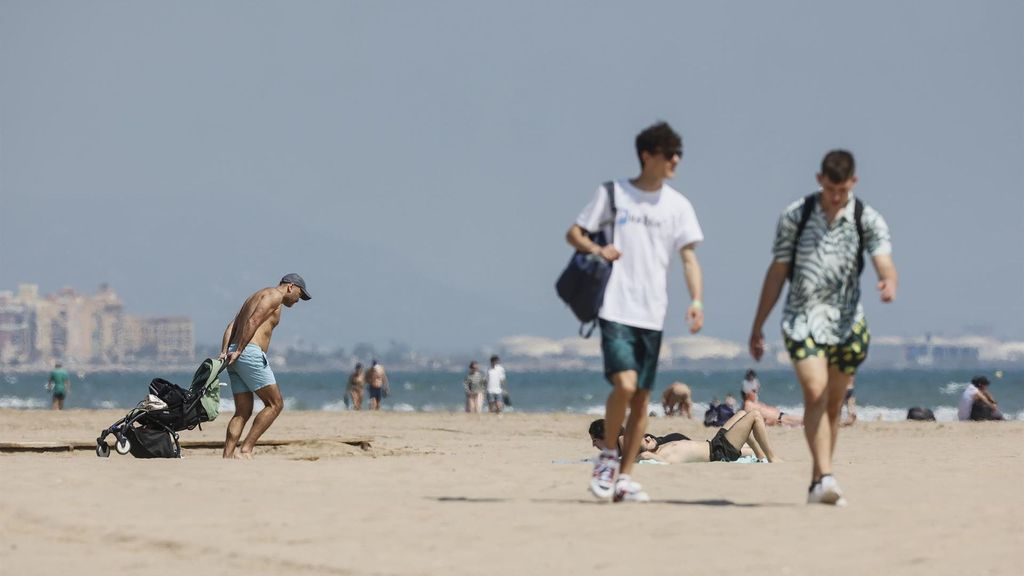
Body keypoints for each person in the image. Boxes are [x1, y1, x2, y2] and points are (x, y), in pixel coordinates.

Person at [749, 149, 897, 506]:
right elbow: (777, 272)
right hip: (802, 320)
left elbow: (883, 260)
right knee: (814, 394)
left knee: (832, 405)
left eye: (842, 190)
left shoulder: (867, 218)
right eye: (831, 189)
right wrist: (758, 325)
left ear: (853, 183)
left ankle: (819, 479)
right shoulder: (796, 216)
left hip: (848, 324)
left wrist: (888, 280)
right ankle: (827, 476)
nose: (835, 197)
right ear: (820, 180)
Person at [567, 121, 705, 503]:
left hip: (653, 313)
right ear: (648, 155)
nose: (676, 160)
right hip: (615, 306)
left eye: (679, 154)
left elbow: (689, 257)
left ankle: (625, 479)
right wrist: (597, 250)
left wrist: (696, 301)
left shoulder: (678, 205)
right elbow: (575, 233)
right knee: (624, 385)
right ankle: (609, 457)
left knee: (642, 399)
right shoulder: (613, 194)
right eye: (669, 154)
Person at [219, 273, 311, 459]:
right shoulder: (274, 296)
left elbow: (232, 325)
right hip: (248, 352)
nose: (298, 300)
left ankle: (227, 456)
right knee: (275, 404)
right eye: (299, 295)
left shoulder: (254, 297)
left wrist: (225, 351)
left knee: (243, 411)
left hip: (235, 353)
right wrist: (240, 351)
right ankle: (246, 450)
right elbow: (252, 322)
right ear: (290, 286)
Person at [588, 409, 777, 464]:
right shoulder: (649, 455)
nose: (647, 438)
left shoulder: (650, 449)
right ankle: (769, 459)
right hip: (719, 451)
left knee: (744, 413)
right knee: (754, 416)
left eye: (594, 440)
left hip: (715, 445)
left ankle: (761, 457)